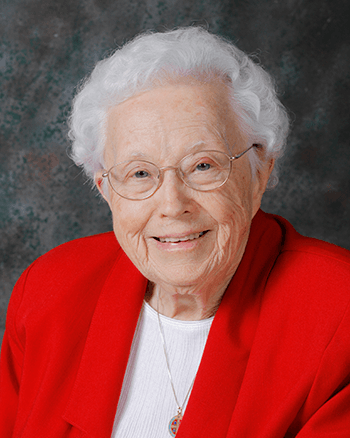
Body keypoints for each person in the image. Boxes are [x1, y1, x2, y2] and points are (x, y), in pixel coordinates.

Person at [0, 27, 350, 438]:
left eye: (203, 165)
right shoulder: (48, 294)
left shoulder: (336, 314)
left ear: (260, 173)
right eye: (140, 173)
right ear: (107, 191)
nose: (172, 204)